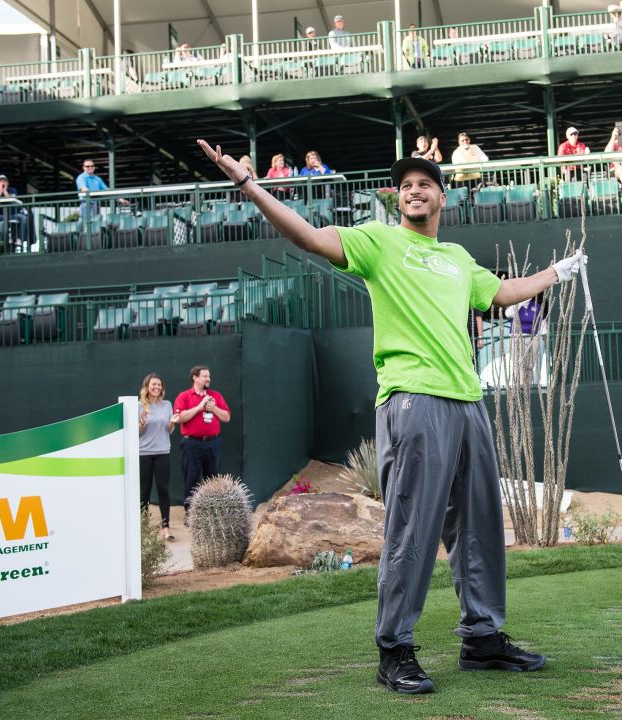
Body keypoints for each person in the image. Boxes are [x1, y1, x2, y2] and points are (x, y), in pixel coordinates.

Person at [196, 139, 588, 695]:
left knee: (479, 526)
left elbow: (500, 293)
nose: (413, 189)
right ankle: (395, 649)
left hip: (467, 401)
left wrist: (556, 273)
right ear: (398, 199)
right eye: (405, 185)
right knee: (413, 528)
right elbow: (307, 236)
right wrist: (248, 185)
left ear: (442, 197)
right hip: (412, 398)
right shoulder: (380, 243)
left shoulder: (458, 261)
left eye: (424, 183)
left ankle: (482, 639)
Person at [173, 365, 230, 522]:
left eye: (209, 376)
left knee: (212, 478)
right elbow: (180, 418)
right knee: (191, 478)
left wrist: (213, 408)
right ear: (195, 378)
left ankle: (211, 514)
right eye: (205, 376)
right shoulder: (184, 396)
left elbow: (226, 417)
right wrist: (199, 407)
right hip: (191, 444)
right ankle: (190, 513)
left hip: (213, 443)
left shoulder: (216, 396)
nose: (208, 379)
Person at [138, 373, 177, 541]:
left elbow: (170, 430)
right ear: (147, 386)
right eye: (154, 384)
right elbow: (136, 432)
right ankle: (143, 527)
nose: (157, 387)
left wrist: (173, 422)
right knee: (144, 491)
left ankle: (166, 527)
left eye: (159, 385)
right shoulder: (139, 406)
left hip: (162, 452)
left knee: (163, 490)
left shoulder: (167, 405)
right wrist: (141, 424)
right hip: (143, 453)